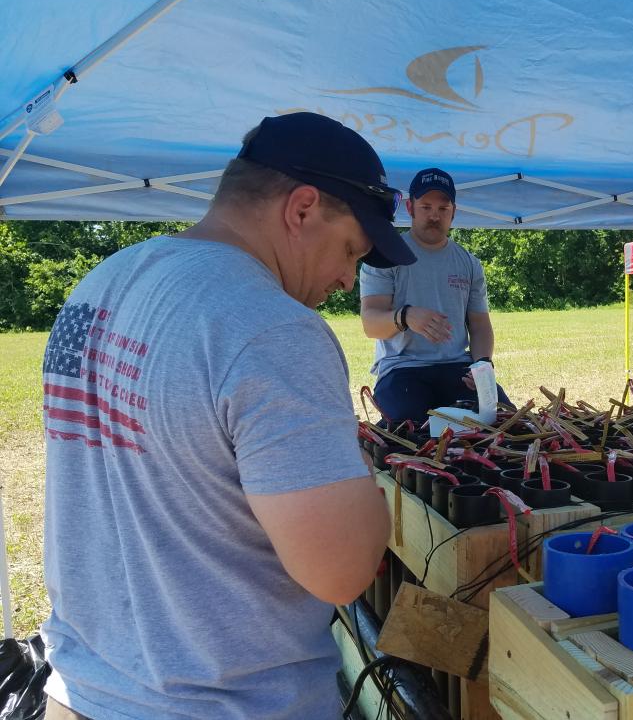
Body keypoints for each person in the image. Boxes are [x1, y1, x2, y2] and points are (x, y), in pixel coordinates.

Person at [40, 113, 413, 720]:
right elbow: (341, 571)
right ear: (302, 208)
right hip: (227, 704)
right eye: (351, 250)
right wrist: (366, 480)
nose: (348, 279)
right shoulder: (273, 327)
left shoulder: (101, 283)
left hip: (81, 690)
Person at [359, 167, 509, 423]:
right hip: (402, 370)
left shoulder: (469, 263)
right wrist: (405, 317)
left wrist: (483, 364)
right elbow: (371, 324)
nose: (434, 216)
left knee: (505, 420)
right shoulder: (385, 256)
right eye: (426, 207)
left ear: (454, 212)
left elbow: (480, 326)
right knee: (412, 427)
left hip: (458, 367)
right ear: (410, 208)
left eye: (443, 209)